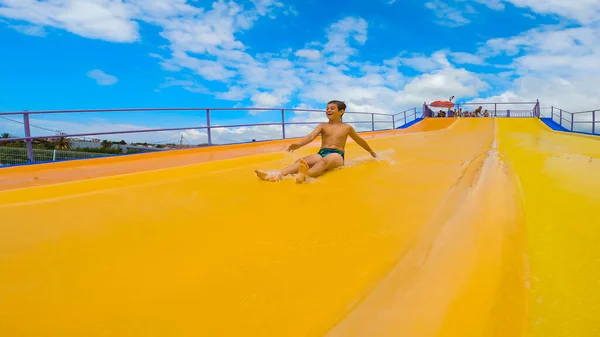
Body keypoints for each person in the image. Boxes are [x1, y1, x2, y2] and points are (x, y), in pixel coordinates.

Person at [254, 100, 377, 183]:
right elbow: (310, 137)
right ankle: (276, 175)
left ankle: (306, 175)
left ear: (341, 111)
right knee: (303, 161)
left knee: (324, 162)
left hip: (337, 155)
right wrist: (298, 144)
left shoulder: (347, 128)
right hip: (322, 152)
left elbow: (359, 141)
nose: (328, 110)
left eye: (332, 108)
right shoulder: (322, 126)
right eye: (327, 108)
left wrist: (371, 151)